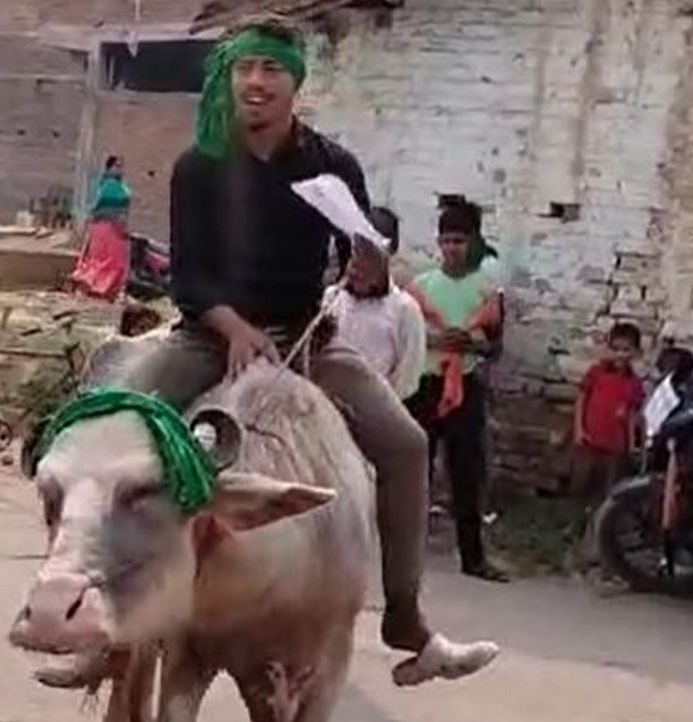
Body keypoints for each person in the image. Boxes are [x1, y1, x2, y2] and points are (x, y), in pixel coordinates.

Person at [115, 15, 497, 687]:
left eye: (271, 70)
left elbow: (362, 258)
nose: (255, 83)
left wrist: (366, 268)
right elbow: (189, 277)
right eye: (244, 69)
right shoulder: (198, 164)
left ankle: (405, 619)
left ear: (296, 83)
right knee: (115, 421)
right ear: (230, 77)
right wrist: (233, 328)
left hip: (304, 338)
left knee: (406, 445)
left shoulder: (333, 165)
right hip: (210, 338)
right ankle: (99, 604)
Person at [405, 203, 509, 583]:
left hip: (466, 386)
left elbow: (495, 347)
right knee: (418, 468)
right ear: (438, 243)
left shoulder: (486, 292)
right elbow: (405, 339)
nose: (452, 248)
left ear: (472, 243)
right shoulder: (419, 288)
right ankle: (406, 551)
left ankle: (473, 557)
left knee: (468, 473)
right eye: (447, 240)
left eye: (460, 241)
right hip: (426, 385)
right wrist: (434, 338)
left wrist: (469, 344)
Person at [325, 207, 427, 400]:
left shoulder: (404, 310)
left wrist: (377, 407)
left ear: (389, 254)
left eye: (371, 252)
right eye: (357, 249)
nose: (359, 262)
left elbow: (408, 378)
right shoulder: (331, 299)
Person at [568, 322, 644, 570]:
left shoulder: (634, 383)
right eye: (616, 349)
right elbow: (582, 398)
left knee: (606, 495)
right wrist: (579, 429)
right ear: (608, 349)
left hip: (614, 447)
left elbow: (633, 414)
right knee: (581, 488)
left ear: (635, 353)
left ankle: (596, 544)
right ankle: (574, 534)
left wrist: (632, 444)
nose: (620, 355)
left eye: (626, 350)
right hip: (589, 441)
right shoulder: (597, 372)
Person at [69, 155, 132, 301]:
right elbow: (101, 206)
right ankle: (97, 288)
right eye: (116, 166)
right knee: (107, 262)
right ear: (109, 167)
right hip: (107, 228)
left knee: (115, 262)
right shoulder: (109, 185)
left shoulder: (117, 184)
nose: (120, 169)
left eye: (121, 166)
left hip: (115, 228)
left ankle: (107, 291)